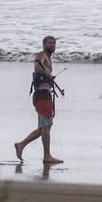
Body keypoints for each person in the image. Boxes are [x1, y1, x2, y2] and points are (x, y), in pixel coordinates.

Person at [14, 35, 63, 164]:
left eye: (54, 43)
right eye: (50, 43)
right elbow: (37, 67)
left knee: (44, 127)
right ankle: (47, 156)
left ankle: (21, 145)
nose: (52, 45)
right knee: (46, 126)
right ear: (44, 44)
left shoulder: (48, 58)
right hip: (42, 95)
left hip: (44, 94)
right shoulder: (41, 55)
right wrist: (47, 72)